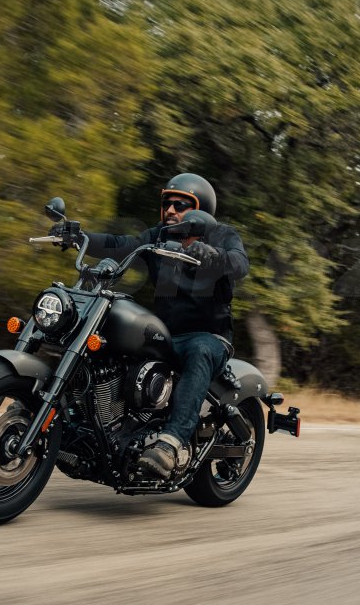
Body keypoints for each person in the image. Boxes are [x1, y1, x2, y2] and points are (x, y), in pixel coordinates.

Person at [50, 173, 249, 477]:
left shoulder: (221, 236)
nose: (170, 210)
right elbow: (120, 244)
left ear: (200, 210)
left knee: (199, 349)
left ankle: (172, 443)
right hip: (167, 336)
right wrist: (78, 236)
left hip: (209, 337)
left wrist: (213, 256)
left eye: (180, 204)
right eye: (167, 203)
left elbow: (239, 263)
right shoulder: (158, 236)